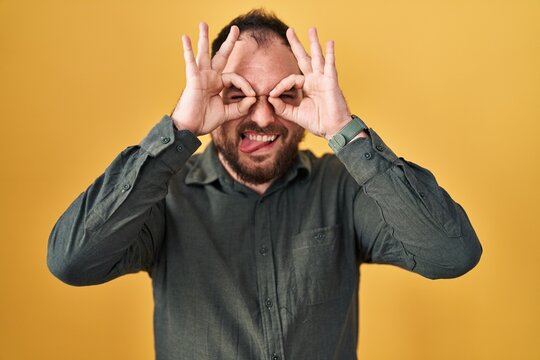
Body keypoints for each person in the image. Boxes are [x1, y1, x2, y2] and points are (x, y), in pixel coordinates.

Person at [47, 9, 482, 360]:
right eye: (238, 94)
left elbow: (451, 253)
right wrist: (178, 131)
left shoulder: (342, 187)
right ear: (211, 97)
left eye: (284, 94)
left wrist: (344, 132)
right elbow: (72, 261)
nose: (262, 117)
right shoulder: (165, 197)